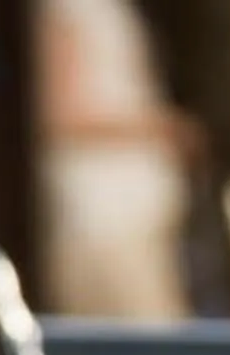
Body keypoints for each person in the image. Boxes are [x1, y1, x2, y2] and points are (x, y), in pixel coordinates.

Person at [35, 0, 197, 319]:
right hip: (103, 217)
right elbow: (59, 111)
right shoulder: (68, 9)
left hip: (128, 216)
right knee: (140, 351)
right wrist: (159, 127)